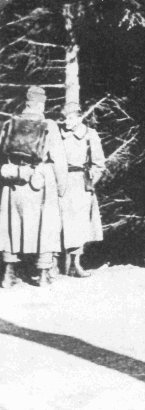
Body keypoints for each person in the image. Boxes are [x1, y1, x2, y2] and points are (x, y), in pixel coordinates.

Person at [0, 86, 67, 287]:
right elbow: (59, 160)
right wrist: (62, 188)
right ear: (42, 103)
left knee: (11, 226)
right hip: (41, 180)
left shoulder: (10, 123)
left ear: (26, 102)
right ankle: (44, 274)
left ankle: (7, 274)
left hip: (13, 180)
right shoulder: (49, 125)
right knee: (46, 226)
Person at [58, 102, 105, 277]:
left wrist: (91, 182)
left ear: (79, 118)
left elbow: (99, 163)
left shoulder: (89, 135)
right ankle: (61, 264)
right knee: (61, 223)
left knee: (79, 224)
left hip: (80, 183)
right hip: (61, 182)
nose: (66, 122)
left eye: (70, 118)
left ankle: (75, 264)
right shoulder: (57, 135)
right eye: (64, 118)